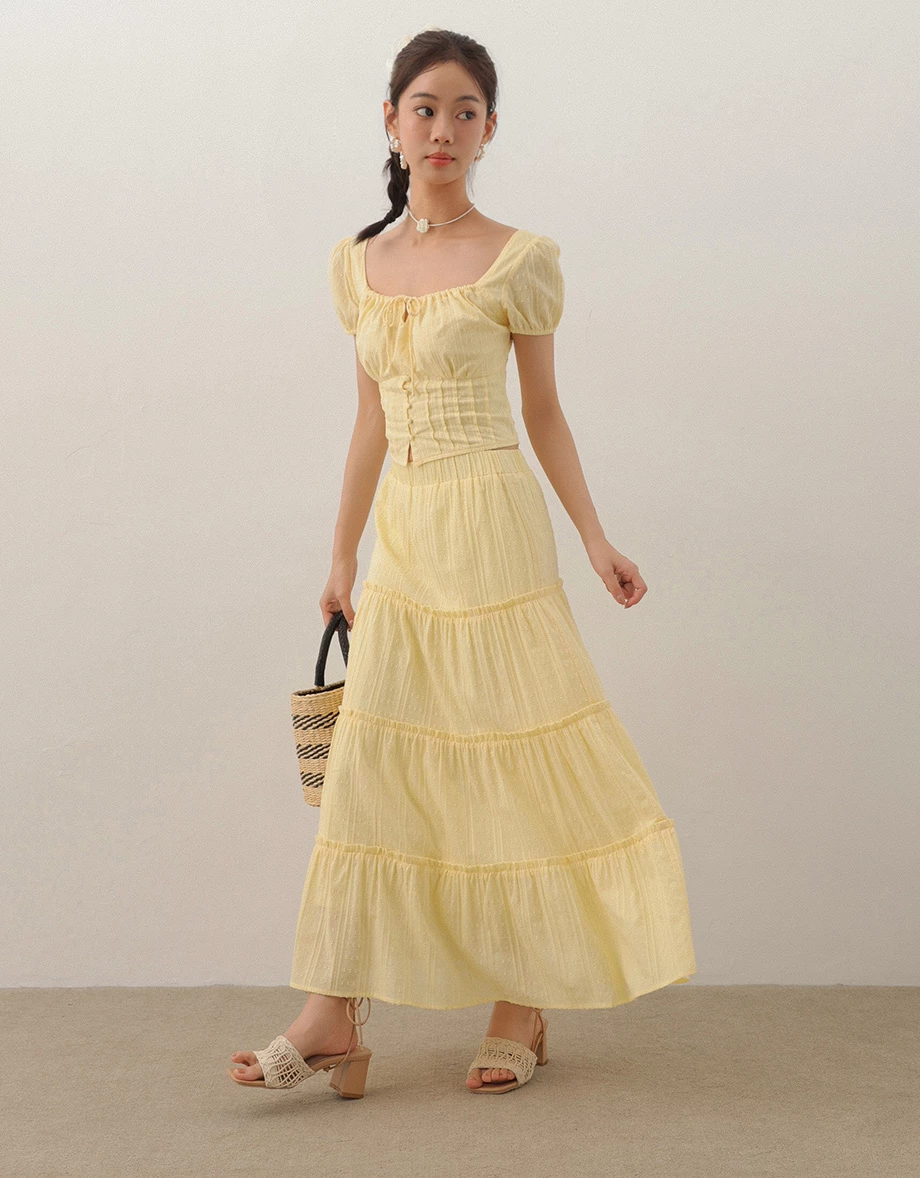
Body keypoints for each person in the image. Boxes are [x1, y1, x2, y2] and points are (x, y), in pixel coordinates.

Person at [229, 27, 696, 1099]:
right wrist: (341, 553)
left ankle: (522, 1001)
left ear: (490, 130)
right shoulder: (358, 264)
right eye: (425, 108)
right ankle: (333, 1011)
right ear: (392, 122)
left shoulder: (520, 258)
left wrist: (594, 537)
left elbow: (543, 412)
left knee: (510, 754)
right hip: (407, 533)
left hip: (492, 522)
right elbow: (368, 421)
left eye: (466, 111)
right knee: (372, 764)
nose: (443, 129)